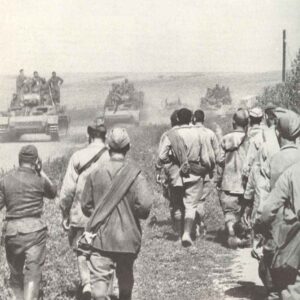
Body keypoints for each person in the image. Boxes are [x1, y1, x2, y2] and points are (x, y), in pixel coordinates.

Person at [81, 127, 153, 300]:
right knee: (125, 275)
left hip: (101, 238)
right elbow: (144, 207)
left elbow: (85, 205)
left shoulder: (95, 172)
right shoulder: (135, 175)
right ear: (128, 147)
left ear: (108, 147)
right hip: (128, 239)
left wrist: (102, 213)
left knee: (99, 280)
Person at [59, 122, 109, 298]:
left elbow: (67, 190)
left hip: (81, 213)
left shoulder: (78, 156)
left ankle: (86, 284)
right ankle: (107, 286)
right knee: (106, 250)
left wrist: (65, 211)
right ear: (105, 136)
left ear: (89, 135)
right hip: (107, 214)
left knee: (82, 249)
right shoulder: (112, 156)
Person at [0, 145, 57, 300]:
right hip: (35, 233)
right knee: (33, 272)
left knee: (16, 273)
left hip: (12, 233)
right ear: (36, 162)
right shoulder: (39, 180)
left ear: (19, 160)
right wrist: (41, 171)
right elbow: (53, 192)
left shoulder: (5, 180)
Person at [157, 108, 211, 247]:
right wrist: (204, 168)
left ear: (178, 119)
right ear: (191, 118)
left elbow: (162, 156)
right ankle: (187, 233)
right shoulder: (199, 133)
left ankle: (178, 235)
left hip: (176, 176)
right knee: (191, 205)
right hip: (194, 174)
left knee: (177, 205)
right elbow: (205, 157)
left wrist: (173, 163)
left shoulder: (171, 135)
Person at [257, 161, 300, 300]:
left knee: (293, 284)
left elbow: (269, 209)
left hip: (296, 235)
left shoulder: (292, 171)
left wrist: (263, 226)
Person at [217, 109, 249, 248]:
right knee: (245, 210)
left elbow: (219, 159)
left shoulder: (226, 138)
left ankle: (231, 234)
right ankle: (246, 235)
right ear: (247, 123)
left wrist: (218, 178)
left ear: (233, 122)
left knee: (229, 211)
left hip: (229, 180)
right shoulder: (250, 139)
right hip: (246, 182)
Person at [192, 109, 220, 235]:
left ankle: (196, 225)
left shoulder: (189, 133)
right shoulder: (211, 133)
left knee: (193, 198)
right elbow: (218, 154)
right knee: (201, 199)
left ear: (193, 119)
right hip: (207, 171)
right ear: (203, 119)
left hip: (192, 171)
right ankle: (200, 223)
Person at [156, 110, 181, 233]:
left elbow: (161, 156)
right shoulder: (191, 133)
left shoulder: (167, 135)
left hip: (173, 171)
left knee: (175, 200)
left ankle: (178, 228)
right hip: (191, 171)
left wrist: (158, 170)